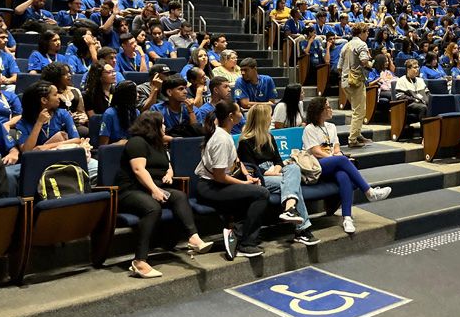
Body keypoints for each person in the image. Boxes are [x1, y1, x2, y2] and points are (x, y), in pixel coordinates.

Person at [115, 111, 212, 278]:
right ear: (153, 126)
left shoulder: (158, 144)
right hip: (130, 190)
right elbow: (138, 170)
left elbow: (167, 165)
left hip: (152, 188)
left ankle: (193, 238)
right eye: (162, 124)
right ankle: (140, 262)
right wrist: (155, 190)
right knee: (152, 208)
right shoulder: (136, 142)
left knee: (180, 196)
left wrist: (169, 173)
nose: (165, 127)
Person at [303, 97, 390, 234]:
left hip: (332, 164)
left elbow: (336, 147)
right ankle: (369, 191)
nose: (331, 109)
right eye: (328, 107)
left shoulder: (331, 127)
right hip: (316, 166)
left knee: (343, 175)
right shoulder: (310, 129)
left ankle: (347, 218)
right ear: (320, 111)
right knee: (343, 161)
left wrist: (336, 155)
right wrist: (336, 159)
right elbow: (316, 151)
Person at [196, 101, 270, 259]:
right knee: (261, 193)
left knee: (256, 190)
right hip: (210, 187)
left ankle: (236, 232)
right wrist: (244, 183)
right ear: (231, 116)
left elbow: (236, 160)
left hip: (217, 184)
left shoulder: (224, 134)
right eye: (239, 111)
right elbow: (219, 176)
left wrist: (247, 176)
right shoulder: (221, 139)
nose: (242, 113)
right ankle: (246, 243)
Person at [237, 104, 319, 246]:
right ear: (262, 119)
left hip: (276, 172)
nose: (272, 119)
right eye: (269, 116)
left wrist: (277, 168)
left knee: (293, 168)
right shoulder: (245, 142)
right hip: (260, 177)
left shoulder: (269, 137)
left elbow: (278, 161)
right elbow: (250, 168)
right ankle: (301, 229)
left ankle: (291, 211)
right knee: (293, 185)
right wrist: (269, 172)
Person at [16, 80, 97, 178]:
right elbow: (27, 151)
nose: (59, 97)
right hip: (39, 164)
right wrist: (39, 123)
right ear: (44, 100)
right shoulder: (23, 123)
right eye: (55, 94)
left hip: (64, 158)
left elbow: (76, 140)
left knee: (96, 167)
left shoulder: (63, 114)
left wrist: (46, 147)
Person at [337, 22, 372, 148]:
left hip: (345, 82)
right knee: (359, 111)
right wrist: (371, 63)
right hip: (356, 81)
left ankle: (357, 134)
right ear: (361, 32)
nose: (368, 34)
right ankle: (352, 140)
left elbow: (339, 67)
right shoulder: (362, 44)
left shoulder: (345, 45)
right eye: (366, 32)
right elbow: (364, 61)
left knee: (356, 110)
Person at [41, 61, 88, 138]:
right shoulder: (49, 94)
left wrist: (82, 118)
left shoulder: (75, 91)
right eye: (65, 74)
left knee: (84, 131)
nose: (69, 75)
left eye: (69, 72)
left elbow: (82, 112)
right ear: (55, 76)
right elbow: (46, 114)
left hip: (75, 125)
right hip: (56, 126)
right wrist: (67, 118)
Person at [394, 59, 429, 138]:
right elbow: (400, 96)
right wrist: (414, 99)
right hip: (408, 105)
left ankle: (433, 132)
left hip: (420, 103)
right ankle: (424, 136)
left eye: (418, 67)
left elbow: (427, 93)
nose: (417, 69)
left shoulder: (420, 80)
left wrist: (428, 101)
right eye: (415, 67)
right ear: (408, 69)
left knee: (432, 104)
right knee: (423, 108)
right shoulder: (401, 80)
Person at [99, 80, 140, 145]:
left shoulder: (136, 112)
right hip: (114, 150)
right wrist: (118, 144)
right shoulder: (109, 114)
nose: (138, 95)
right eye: (136, 92)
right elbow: (103, 145)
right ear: (128, 95)